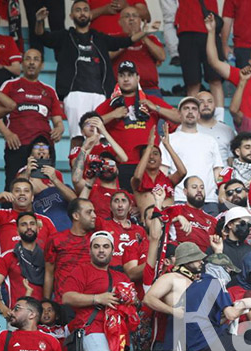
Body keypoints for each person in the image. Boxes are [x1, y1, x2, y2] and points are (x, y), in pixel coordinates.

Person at [33, 2, 158, 137]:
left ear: (90, 14)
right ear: (71, 15)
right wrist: (40, 21)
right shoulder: (65, 36)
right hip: (75, 94)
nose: (82, 13)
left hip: (101, 95)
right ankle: (76, 159)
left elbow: (124, 42)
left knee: (101, 137)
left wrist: (144, 32)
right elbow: (43, 37)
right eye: (78, 10)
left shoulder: (99, 37)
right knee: (79, 137)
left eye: (86, 10)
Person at [60, 231, 132, 351]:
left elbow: (133, 302)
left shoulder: (119, 276)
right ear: (90, 250)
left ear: (113, 250)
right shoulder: (81, 270)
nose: (101, 250)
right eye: (97, 246)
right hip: (92, 328)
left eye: (105, 246)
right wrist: (97, 298)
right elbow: (67, 297)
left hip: (118, 333)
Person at [143, 242, 205, 351]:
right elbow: (148, 298)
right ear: (188, 259)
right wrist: (174, 311)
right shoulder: (170, 277)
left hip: (192, 339)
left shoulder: (196, 281)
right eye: (197, 258)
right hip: (170, 338)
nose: (202, 261)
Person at [96, 60, 179, 192]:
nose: (126, 79)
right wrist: (112, 114)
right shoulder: (110, 104)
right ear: (117, 78)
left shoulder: (150, 100)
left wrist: (155, 107)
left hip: (148, 165)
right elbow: (88, 125)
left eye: (130, 75)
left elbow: (179, 117)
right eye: (122, 75)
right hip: (120, 165)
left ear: (138, 78)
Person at [0, 49, 66, 190]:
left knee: (45, 191)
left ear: (42, 65)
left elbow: (58, 121)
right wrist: (7, 133)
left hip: (43, 148)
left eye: (36, 59)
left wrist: (59, 128)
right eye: (28, 58)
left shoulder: (49, 90)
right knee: (14, 188)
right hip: (17, 145)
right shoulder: (9, 86)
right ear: (22, 63)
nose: (32, 62)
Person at [159, 97, 222, 211]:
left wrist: (220, 194)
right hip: (179, 198)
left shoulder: (210, 140)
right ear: (179, 114)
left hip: (208, 200)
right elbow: (162, 173)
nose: (190, 112)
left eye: (194, 109)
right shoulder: (169, 140)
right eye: (186, 108)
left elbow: (218, 172)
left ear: (198, 114)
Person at [0, 178, 56, 258]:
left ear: (32, 197)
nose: (22, 193)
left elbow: (55, 247)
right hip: (6, 271)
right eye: (17, 191)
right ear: (11, 195)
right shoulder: (1, 215)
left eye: (26, 191)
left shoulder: (45, 220)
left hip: (39, 270)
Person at [0, 213, 45, 319]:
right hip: (18, 318)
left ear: (38, 228)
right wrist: (3, 309)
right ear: (17, 230)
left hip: (43, 317)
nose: (29, 227)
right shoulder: (8, 256)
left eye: (32, 224)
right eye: (24, 224)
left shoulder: (47, 257)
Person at [43, 198, 95, 298]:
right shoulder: (55, 239)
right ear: (76, 216)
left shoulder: (97, 240)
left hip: (91, 302)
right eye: (89, 212)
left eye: (94, 212)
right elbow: (49, 274)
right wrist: (46, 303)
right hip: (63, 303)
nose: (94, 216)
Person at [109, 6, 165, 97]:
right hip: (120, 89)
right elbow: (108, 55)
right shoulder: (114, 38)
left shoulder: (151, 38)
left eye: (135, 16)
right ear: (120, 22)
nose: (131, 19)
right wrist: (130, 40)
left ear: (140, 21)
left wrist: (142, 35)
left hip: (149, 89)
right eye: (127, 16)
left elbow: (162, 56)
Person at [197, 90, 235, 164]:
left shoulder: (227, 130)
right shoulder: (185, 129)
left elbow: (231, 160)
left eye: (210, 101)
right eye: (201, 102)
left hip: (222, 174)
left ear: (215, 105)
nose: (206, 104)